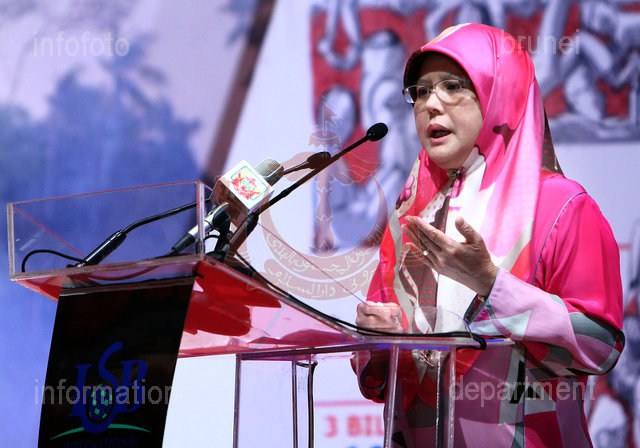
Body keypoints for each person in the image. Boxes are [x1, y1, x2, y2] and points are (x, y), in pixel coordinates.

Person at [353, 23, 625, 447]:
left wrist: (493, 286)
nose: (430, 104)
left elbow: (600, 346)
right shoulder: (410, 215)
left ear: (502, 93)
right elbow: (380, 381)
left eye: (452, 86)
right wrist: (379, 341)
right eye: (421, 91)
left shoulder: (561, 206)